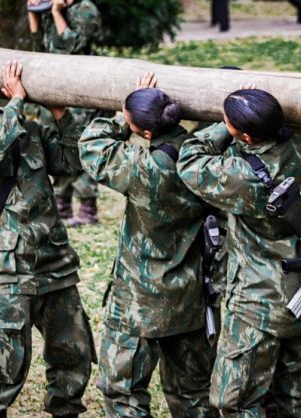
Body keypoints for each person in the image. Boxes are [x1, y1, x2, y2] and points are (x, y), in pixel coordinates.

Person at [0, 62, 95, 418]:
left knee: (73, 353)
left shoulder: (28, 129)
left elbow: (70, 163)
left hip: (53, 258)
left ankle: (66, 411)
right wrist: (16, 101)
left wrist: (61, 117)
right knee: (4, 364)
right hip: (10, 268)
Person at [177, 88, 301, 417]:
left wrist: (222, 126)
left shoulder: (243, 177)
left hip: (258, 302)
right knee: (299, 400)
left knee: (235, 402)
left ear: (244, 135)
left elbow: (189, 161)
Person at [79, 72, 217, 417]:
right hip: (188, 296)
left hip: (137, 302)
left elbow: (92, 143)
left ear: (146, 132)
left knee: (123, 392)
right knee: (193, 394)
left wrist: (120, 115)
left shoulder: (145, 169)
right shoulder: (204, 157)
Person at [27, 0, 105, 226]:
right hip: (54, 89)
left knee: (78, 145)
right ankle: (62, 205)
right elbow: (40, 49)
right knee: (54, 146)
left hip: (79, 91)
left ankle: (88, 209)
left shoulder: (85, 9)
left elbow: (73, 47)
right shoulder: (53, 9)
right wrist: (33, 13)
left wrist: (56, 13)